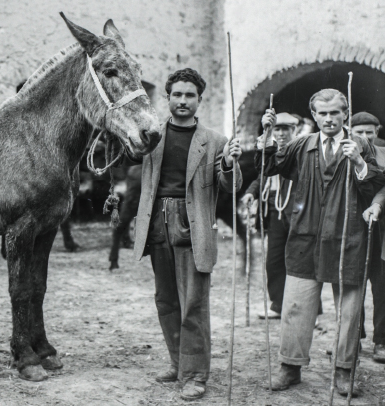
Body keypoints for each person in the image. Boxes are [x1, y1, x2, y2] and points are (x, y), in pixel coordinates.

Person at [256, 89, 384, 396]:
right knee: (296, 305)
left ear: (345, 113)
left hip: (347, 237)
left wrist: (359, 164)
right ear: (314, 116)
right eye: (322, 113)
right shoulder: (302, 144)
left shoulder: (361, 144)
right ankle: (290, 367)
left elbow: (378, 183)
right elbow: (271, 166)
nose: (329, 119)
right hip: (305, 237)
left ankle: (344, 370)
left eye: (335, 113)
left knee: (350, 310)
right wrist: (267, 135)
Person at [125, 68, 242, 400]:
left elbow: (230, 188)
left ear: (199, 100)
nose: (182, 100)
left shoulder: (216, 142)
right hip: (156, 224)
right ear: (167, 98)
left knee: (193, 303)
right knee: (166, 301)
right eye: (176, 94)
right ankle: (178, 363)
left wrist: (231, 163)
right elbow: (125, 156)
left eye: (189, 95)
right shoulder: (152, 136)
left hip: (192, 225)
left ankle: (195, 374)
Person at [242, 113, 314, 319]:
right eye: (277, 129)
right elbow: (262, 174)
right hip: (274, 214)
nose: (281, 134)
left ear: (294, 130)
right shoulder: (269, 152)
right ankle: (277, 305)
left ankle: (310, 310)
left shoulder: (300, 151)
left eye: (286, 129)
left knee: (300, 261)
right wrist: (251, 192)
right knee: (273, 261)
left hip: (296, 213)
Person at [357, 111, 385, 364]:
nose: (365, 137)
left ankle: (382, 341)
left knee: (382, 285)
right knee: (353, 283)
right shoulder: (345, 152)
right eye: (359, 132)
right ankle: (352, 337)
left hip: (382, 227)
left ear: (377, 131)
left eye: (370, 131)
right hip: (355, 226)